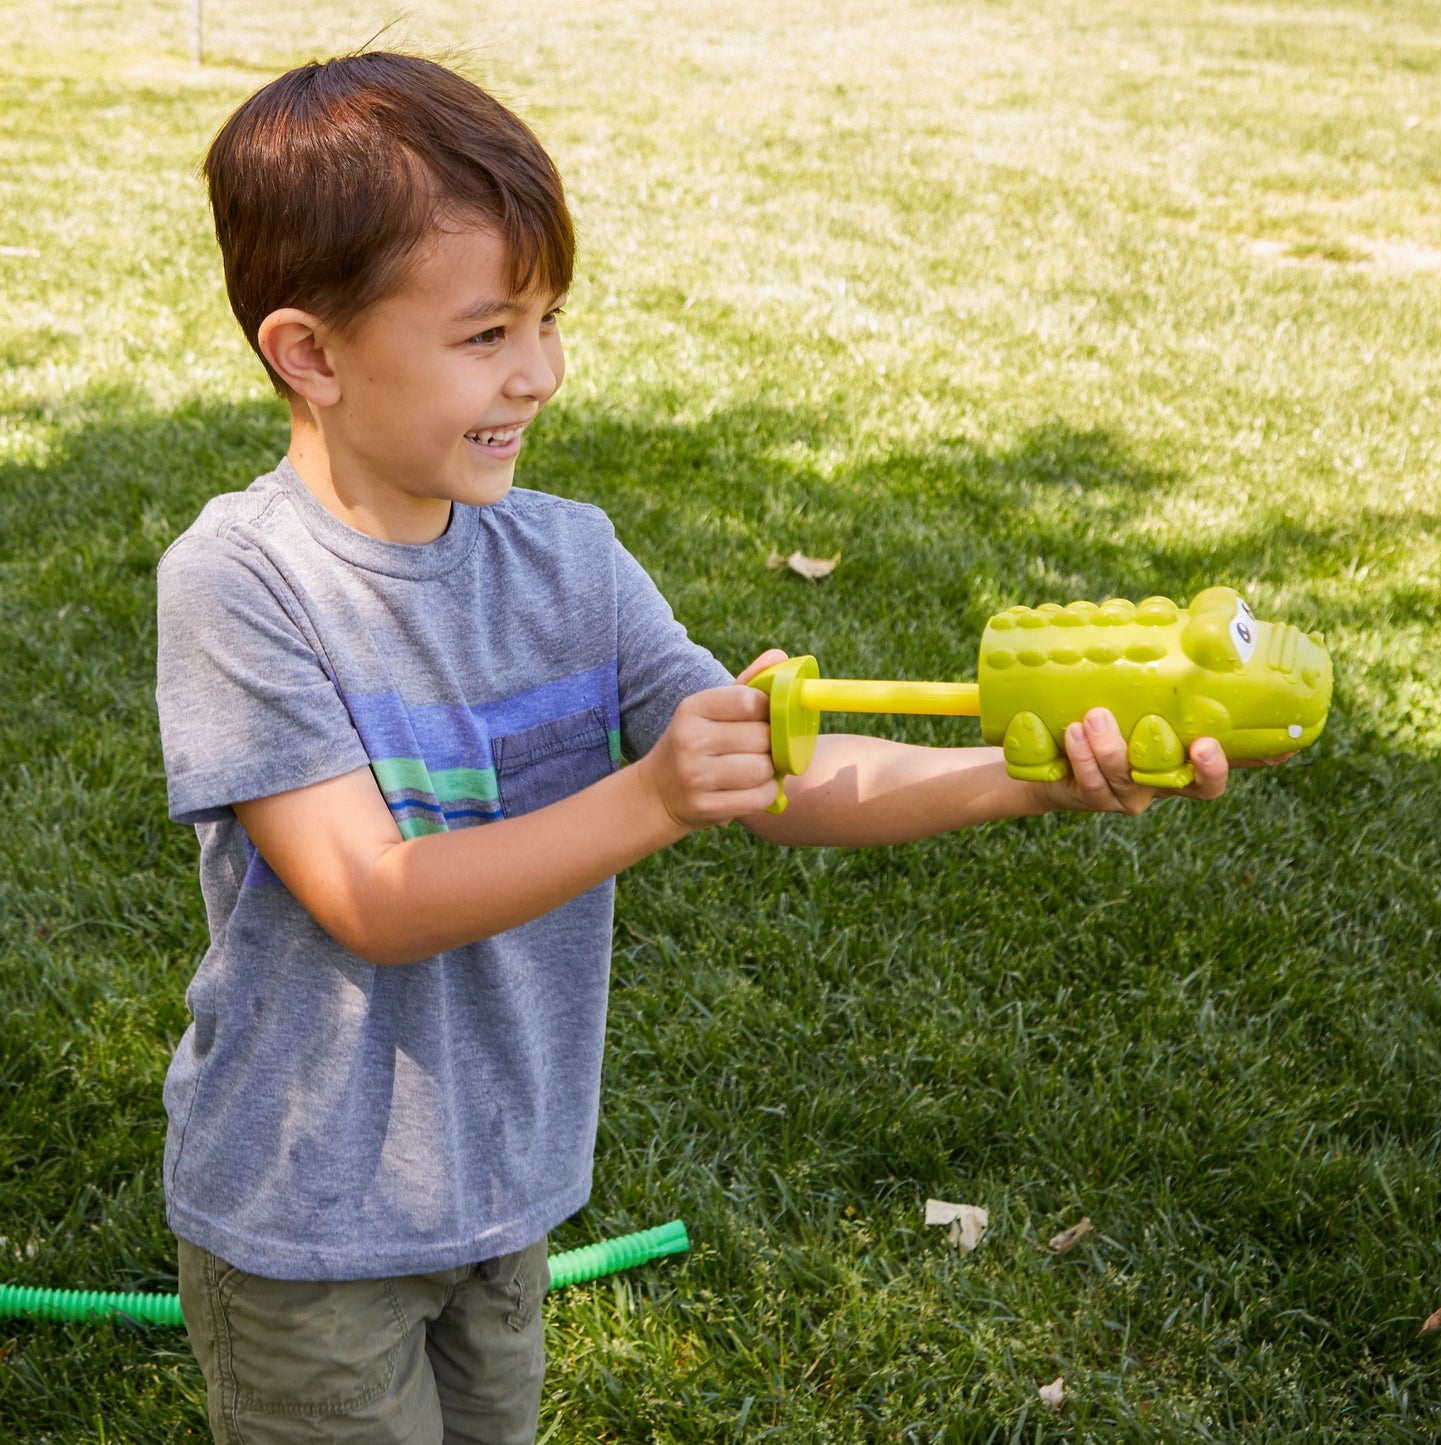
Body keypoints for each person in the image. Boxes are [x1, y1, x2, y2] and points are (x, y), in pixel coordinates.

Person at [155, 50, 1237, 1445]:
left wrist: (1029, 773)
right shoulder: (242, 581)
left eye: (549, 320)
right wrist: (654, 793)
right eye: (485, 334)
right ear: (308, 351)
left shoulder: (570, 558)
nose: (538, 373)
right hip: (307, 1213)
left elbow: (771, 777)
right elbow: (374, 898)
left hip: (509, 1184)